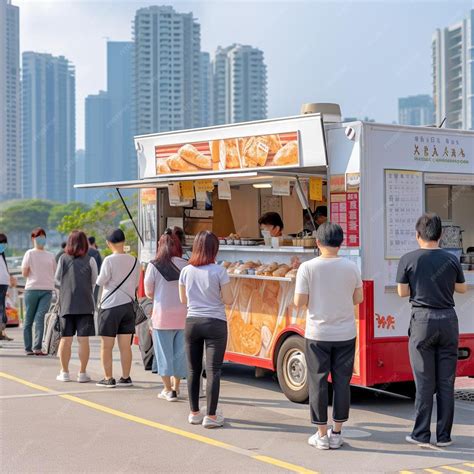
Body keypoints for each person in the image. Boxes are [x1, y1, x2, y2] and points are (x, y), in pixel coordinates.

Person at [396, 213, 467, 447]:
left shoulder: (408, 259)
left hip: (423, 321)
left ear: (417, 235)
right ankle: (444, 436)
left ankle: (421, 434)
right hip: (448, 320)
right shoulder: (451, 259)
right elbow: (462, 289)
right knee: (447, 382)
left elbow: (402, 292)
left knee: (425, 381)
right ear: (441, 235)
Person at [294, 222, 363, 450]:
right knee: (342, 382)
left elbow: (299, 302)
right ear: (340, 243)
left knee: (318, 382)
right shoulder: (351, 267)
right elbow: (358, 299)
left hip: (318, 334)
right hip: (345, 333)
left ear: (317, 242)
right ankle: (337, 432)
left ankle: (321, 435)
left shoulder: (308, 267)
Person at [179, 231, 233, 428]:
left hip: (192, 322)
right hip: (215, 322)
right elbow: (228, 300)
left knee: (193, 368)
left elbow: (183, 300)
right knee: (213, 370)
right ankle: (211, 416)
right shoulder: (219, 271)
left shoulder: (186, 271)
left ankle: (194, 412)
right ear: (214, 249)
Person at [144, 228, 187, 401]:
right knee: (180, 354)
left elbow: (148, 292)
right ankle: (176, 388)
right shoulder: (186, 264)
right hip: (183, 316)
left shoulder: (154, 265)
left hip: (162, 317)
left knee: (164, 354)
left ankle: (168, 390)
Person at [96, 229, 140, 388]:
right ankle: (126, 377)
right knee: (125, 346)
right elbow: (135, 284)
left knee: (106, 346)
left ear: (109, 243)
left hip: (110, 307)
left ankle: (108, 378)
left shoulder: (108, 260)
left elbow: (101, 281)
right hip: (128, 307)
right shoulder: (135, 261)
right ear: (124, 241)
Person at [55, 231, 98, 383]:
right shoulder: (91, 260)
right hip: (86, 305)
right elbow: (94, 282)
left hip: (67, 304)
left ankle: (64, 372)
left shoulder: (63, 259)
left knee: (65, 340)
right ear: (85, 243)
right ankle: (82, 373)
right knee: (83, 340)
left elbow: (57, 280)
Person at [21, 228, 57, 356]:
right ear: (33, 239)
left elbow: (55, 272)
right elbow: (24, 273)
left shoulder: (51, 255)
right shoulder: (29, 253)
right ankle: (28, 348)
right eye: (38, 237)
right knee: (29, 319)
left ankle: (37, 347)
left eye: (43, 236)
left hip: (47, 290)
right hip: (32, 290)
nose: (41, 239)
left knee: (40, 318)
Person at [0, 233, 16, 341]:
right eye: (1, 242)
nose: (3, 245)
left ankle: (1, 333)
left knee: (2, 309)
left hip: (4, 284)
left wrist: (10, 278)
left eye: (4, 243)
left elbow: (5, 269)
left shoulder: (2, 254)